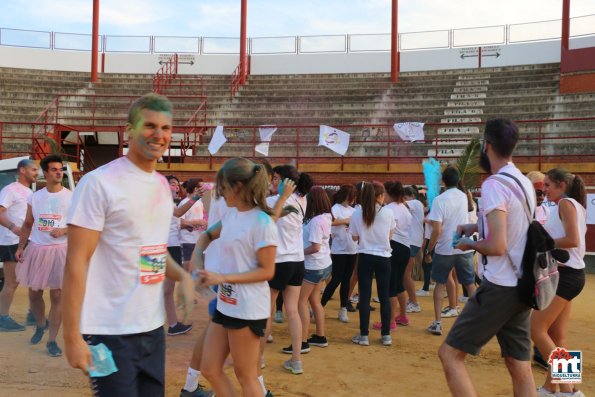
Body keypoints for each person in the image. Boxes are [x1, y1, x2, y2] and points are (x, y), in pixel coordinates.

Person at [63, 94, 195, 397]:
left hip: (151, 327)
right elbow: (76, 261)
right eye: (149, 125)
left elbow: (152, 252)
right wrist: (72, 335)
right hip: (108, 331)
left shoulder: (162, 186)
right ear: (129, 131)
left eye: (165, 128)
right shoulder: (99, 183)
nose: (158, 135)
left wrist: (182, 276)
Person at [440, 118, 537, 396]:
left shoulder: (496, 184)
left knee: (449, 354)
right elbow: (514, 230)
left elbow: (497, 245)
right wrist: (476, 227)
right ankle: (567, 386)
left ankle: (566, 384)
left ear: (487, 145)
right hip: (527, 280)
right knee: (522, 362)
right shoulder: (523, 180)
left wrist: (469, 244)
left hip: (501, 285)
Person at [196, 157, 278, 397]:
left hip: (247, 308)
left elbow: (267, 271)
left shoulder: (262, 222)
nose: (220, 193)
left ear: (238, 186)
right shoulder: (232, 215)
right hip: (226, 303)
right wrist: (198, 261)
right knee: (210, 368)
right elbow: (206, 236)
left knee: (246, 376)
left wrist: (222, 277)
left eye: (223, 187)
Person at [531, 168, 586, 397]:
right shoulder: (573, 205)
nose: (545, 190)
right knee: (558, 337)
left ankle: (568, 390)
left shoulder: (566, 204)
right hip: (570, 275)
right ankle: (551, 388)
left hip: (565, 276)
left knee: (535, 329)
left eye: (548, 186)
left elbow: (572, 240)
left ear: (562, 185)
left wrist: (545, 243)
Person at [15, 155, 72, 356]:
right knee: (34, 293)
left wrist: (64, 230)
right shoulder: (35, 197)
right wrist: (21, 246)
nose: (59, 172)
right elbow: (28, 224)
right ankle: (41, 324)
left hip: (60, 251)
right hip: (37, 249)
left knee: (57, 295)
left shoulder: (71, 197)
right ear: (45, 173)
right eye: (54, 169)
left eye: (60, 169)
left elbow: (80, 225)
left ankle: (52, 340)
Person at [265, 165, 313, 373]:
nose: (272, 182)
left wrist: (274, 195)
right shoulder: (302, 199)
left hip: (279, 260)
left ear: (286, 182)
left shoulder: (273, 201)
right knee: (292, 311)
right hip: (297, 260)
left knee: (267, 310)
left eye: (276, 179)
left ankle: (258, 358)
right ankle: (296, 360)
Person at [425, 167, 477, 336]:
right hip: (462, 246)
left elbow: (437, 230)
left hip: (444, 248)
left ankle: (438, 322)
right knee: (470, 284)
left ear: (443, 181)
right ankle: (476, 323)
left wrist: (428, 249)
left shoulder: (440, 200)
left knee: (440, 284)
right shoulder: (463, 197)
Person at [349, 182, 395, 347]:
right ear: (380, 196)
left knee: (365, 296)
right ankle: (386, 335)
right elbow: (390, 236)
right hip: (383, 257)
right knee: (384, 297)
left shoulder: (357, 213)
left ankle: (364, 335)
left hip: (365, 256)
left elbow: (354, 237)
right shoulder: (388, 213)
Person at [0, 159, 38, 332]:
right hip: (11, 241)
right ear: (22, 170)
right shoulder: (10, 190)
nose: (36, 172)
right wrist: (13, 227)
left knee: (33, 278)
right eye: (33, 169)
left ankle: (33, 313)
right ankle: (3, 318)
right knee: (11, 282)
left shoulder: (28, 192)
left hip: (27, 241)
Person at [297, 186, 332, 362]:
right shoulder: (326, 217)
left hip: (313, 265)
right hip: (324, 264)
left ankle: (302, 342)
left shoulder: (317, 221)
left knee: (301, 301)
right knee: (314, 300)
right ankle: (320, 336)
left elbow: (315, 247)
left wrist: (298, 253)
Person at [373, 181, 411, 330]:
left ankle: (389, 321)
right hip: (405, 248)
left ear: (388, 193)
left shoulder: (388, 209)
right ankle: (402, 315)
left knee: (390, 286)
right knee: (398, 283)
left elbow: (387, 231)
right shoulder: (404, 208)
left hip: (394, 247)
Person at [321, 184, 357, 323]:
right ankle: (320, 305)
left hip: (352, 249)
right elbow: (330, 222)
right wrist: (345, 221)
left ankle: (343, 309)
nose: (354, 199)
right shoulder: (335, 208)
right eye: (353, 196)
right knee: (336, 279)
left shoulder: (354, 210)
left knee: (346, 280)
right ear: (348, 196)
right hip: (339, 250)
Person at [404, 186, 424, 312]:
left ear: (411, 195)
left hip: (412, 242)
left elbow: (401, 203)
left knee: (406, 274)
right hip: (412, 241)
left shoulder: (415, 203)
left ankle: (414, 302)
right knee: (404, 274)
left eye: (405, 197)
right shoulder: (418, 204)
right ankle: (410, 300)